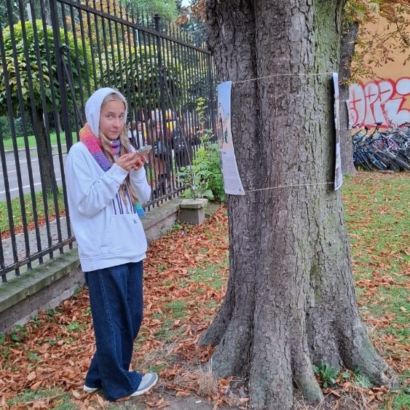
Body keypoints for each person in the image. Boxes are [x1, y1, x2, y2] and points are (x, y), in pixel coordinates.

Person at [65, 87, 158, 402]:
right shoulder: (80, 153)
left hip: (130, 246)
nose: (116, 123)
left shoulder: (124, 149)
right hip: (103, 251)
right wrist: (118, 171)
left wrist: (136, 171)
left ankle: (96, 377)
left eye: (120, 116)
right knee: (112, 322)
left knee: (131, 317)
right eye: (109, 116)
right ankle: (119, 385)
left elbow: (144, 197)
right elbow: (87, 202)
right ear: (95, 116)